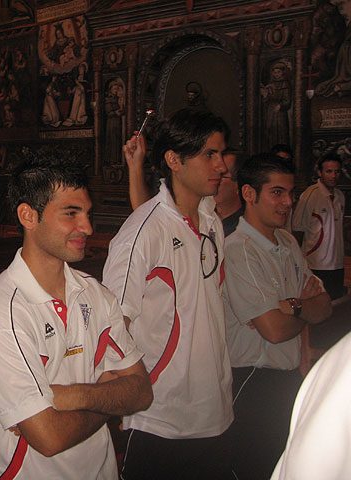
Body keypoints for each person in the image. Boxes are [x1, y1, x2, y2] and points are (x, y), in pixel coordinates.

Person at [0, 155, 152, 479]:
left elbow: (141, 391)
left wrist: (69, 395)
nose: (87, 227)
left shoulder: (95, 294)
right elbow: (48, 436)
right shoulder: (4, 311)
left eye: (87, 214)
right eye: (71, 214)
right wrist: (105, 398)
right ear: (28, 215)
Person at [104, 108, 234, 479]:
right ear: (174, 160)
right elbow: (114, 327)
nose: (222, 165)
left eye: (221, 153)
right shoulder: (141, 233)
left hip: (216, 409)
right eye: (210, 154)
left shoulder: (210, 220)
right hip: (161, 418)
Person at [223, 153, 332, 480]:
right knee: (255, 468)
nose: (288, 202)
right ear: (249, 194)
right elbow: (272, 329)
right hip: (253, 380)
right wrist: (304, 308)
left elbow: (325, 305)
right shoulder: (238, 249)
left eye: (290, 194)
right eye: (277, 193)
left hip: (288, 376)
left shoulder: (286, 241)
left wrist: (293, 307)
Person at [271, 331, 351, 479]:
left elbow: (322, 311)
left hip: (296, 371)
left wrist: (291, 309)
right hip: (262, 379)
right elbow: (273, 331)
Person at [293, 152, 346, 299]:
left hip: (337, 264)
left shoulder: (340, 196)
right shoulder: (310, 195)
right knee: (317, 305)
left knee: (336, 305)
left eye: (337, 171)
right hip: (316, 264)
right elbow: (298, 229)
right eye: (329, 171)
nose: (333, 176)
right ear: (319, 172)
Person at [215, 148, 246, 237]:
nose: (213, 180)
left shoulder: (243, 230)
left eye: (221, 175)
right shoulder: (202, 219)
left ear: (239, 185)